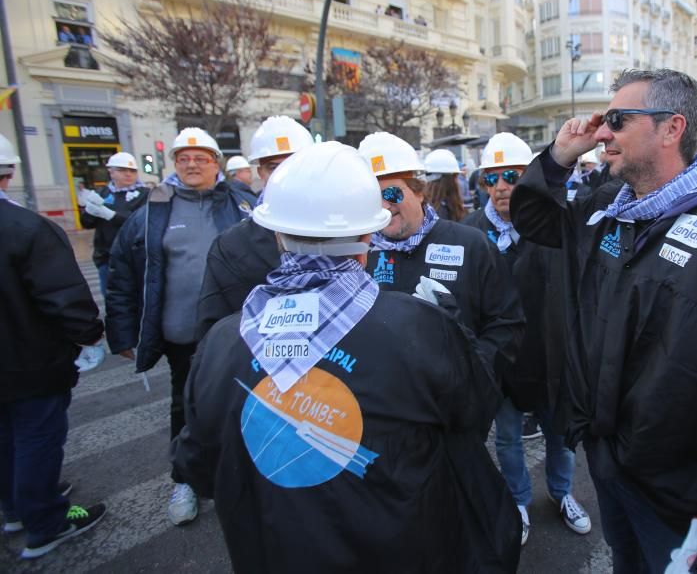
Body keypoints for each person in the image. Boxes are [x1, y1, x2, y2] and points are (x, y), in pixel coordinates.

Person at [509, 69, 697, 572]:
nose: (602, 132)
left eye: (619, 121)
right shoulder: (612, 208)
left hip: (679, 497)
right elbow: (536, 219)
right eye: (606, 120)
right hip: (609, 462)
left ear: (672, 129)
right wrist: (560, 156)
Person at [171, 141, 519, 572]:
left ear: (277, 234)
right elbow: (473, 411)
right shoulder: (421, 326)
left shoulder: (221, 344)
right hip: (402, 547)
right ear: (365, 237)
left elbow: (199, 468)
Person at [105, 127, 256, 528]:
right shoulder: (153, 210)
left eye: (201, 158)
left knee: (243, 405)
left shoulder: (243, 204)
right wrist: (121, 332)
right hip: (182, 335)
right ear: (174, 163)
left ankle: (241, 478)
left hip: (237, 332)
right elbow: (121, 271)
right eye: (183, 158)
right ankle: (185, 481)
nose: (192, 165)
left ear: (216, 164)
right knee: (185, 406)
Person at [463, 132, 591, 546]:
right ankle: (518, 500)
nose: (501, 186)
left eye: (512, 176)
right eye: (491, 178)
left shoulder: (554, 223)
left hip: (552, 354)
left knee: (561, 436)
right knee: (507, 439)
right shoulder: (467, 232)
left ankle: (562, 493)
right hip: (500, 360)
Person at [0, 134, 107, 559]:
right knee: (36, 439)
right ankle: (46, 520)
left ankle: (15, 507)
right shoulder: (25, 228)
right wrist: (89, 335)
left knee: (6, 437)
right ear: (8, 173)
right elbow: (63, 297)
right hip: (31, 362)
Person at [358, 132, 524, 373]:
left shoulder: (470, 243)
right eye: (373, 197)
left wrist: (471, 372)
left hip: (459, 400)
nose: (384, 206)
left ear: (418, 191)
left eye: (392, 193)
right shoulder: (359, 255)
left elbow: (507, 324)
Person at [195, 117, 315, 338]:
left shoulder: (344, 229)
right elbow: (213, 331)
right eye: (274, 167)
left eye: (296, 164)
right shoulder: (231, 246)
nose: (285, 175)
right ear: (261, 173)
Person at [79, 152, 149, 298]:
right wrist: (90, 211)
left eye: (132, 171)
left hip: (137, 256)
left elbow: (140, 222)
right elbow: (87, 223)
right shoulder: (101, 193)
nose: (128, 174)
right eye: (122, 170)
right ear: (111, 172)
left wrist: (110, 214)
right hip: (107, 256)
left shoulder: (145, 194)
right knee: (114, 300)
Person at [424, 149, 467, 221]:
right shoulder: (443, 212)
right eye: (456, 177)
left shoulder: (425, 209)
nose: (458, 182)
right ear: (449, 181)